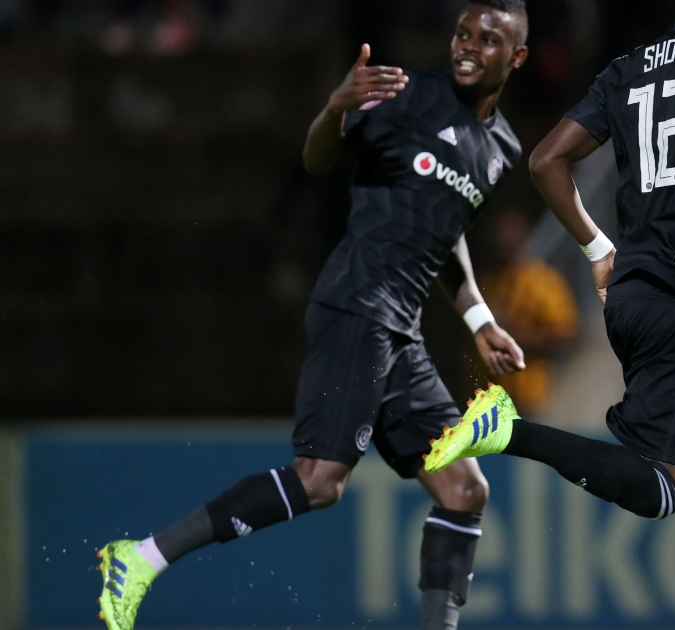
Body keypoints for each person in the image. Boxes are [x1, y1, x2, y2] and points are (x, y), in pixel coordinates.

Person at [96, 2, 530, 629]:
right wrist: (334, 108)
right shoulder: (408, 95)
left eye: (487, 39)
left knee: (464, 490)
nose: (468, 46)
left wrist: (480, 320)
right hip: (359, 303)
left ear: (517, 56)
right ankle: (140, 558)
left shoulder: (503, 146)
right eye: (463, 33)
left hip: (401, 330)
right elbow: (318, 159)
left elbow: (446, 230)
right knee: (321, 480)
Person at [423, 1, 675, 629]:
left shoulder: (630, 67)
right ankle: (507, 430)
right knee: (662, 490)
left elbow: (546, 160)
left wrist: (596, 248)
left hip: (631, 291)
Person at [477, 208, 578, 416]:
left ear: (524, 236)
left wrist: (516, 337)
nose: (503, 241)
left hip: (529, 399)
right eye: (498, 235)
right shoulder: (484, 284)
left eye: (510, 234)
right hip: (485, 401)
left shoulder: (542, 280)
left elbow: (566, 336)